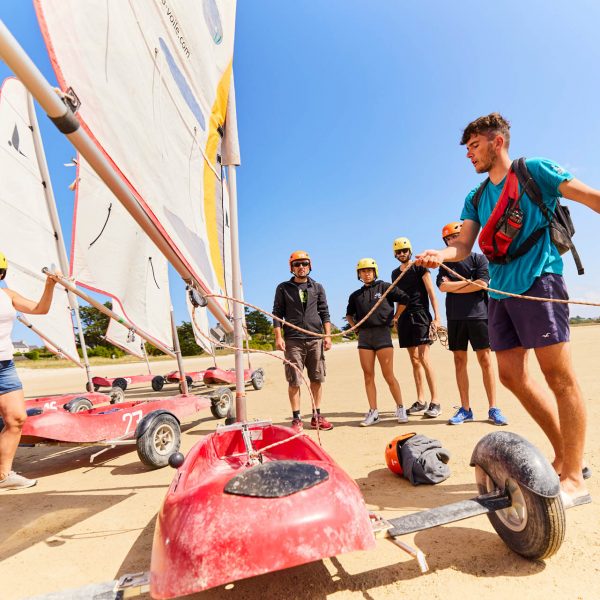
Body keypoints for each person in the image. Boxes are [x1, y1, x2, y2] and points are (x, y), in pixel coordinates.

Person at [417, 112, 600, 507]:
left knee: (558, 375)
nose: (469, 155)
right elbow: (463, 247)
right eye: (467, 149)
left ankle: (573, 477)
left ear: (497, 142)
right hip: (500, 292)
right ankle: (565, 456)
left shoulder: (534, 171)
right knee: (512, 376)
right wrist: (440, 254)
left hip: (540, 281)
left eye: (474, 146)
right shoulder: (476, 197)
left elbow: (590, 198)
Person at [436, 221, 507, 426]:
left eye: (456, 236)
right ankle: (465, 409)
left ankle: (494, 408)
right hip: (455, 317)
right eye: (449, 238)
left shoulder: (479, 259)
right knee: (459, 361)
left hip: (479, 315)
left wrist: (455, 286)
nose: (452, 240)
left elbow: (483, 284)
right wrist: (470, 284)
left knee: (485, 360)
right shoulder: (444, 263)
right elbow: (442, 287)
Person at [0, 252, 60, 490]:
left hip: (5, 366)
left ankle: (3, 476)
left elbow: (40, 308)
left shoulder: (8, 295)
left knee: (16, 419)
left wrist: (50, 285)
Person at [272, 251, 333, 432]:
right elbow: (277, 313)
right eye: (297, 264)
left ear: (310, 266)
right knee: (294, 381)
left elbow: (325, 313)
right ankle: (297, 418)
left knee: (316, 378)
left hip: (315, 338)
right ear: (292, 268)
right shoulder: (283, 288)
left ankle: (316, 415)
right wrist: (278, 336)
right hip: (293, 340)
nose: (301, 267)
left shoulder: (318, 287)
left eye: (304, 264)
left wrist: (327, 336)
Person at [346, 258, 409, 426]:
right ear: (359, 274)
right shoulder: (355, 295)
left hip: (382, 334)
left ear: (375, 272)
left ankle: (400, 407)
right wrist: (355, 327)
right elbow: (349, 314)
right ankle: (373, 411)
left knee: (388, 375)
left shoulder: (385, 287)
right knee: (368, 375)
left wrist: (396, 317)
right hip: (365, 337)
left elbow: (404, 299)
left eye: (369, 271)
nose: (366, 274)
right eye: (363, 271)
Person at [391, 237, 442, 418]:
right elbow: (399, 299)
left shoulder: (420, 267)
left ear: (410, 251)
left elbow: (431, 293)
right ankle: (421, 401)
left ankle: (435, 401)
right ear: (395, 254)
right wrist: (396, 318)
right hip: (405, 318)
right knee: (414, 360)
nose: (402, 253)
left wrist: (436, 318)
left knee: (424, 358)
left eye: (405, 250)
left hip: (421, 315)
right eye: (399, 251)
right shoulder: (394, 274)